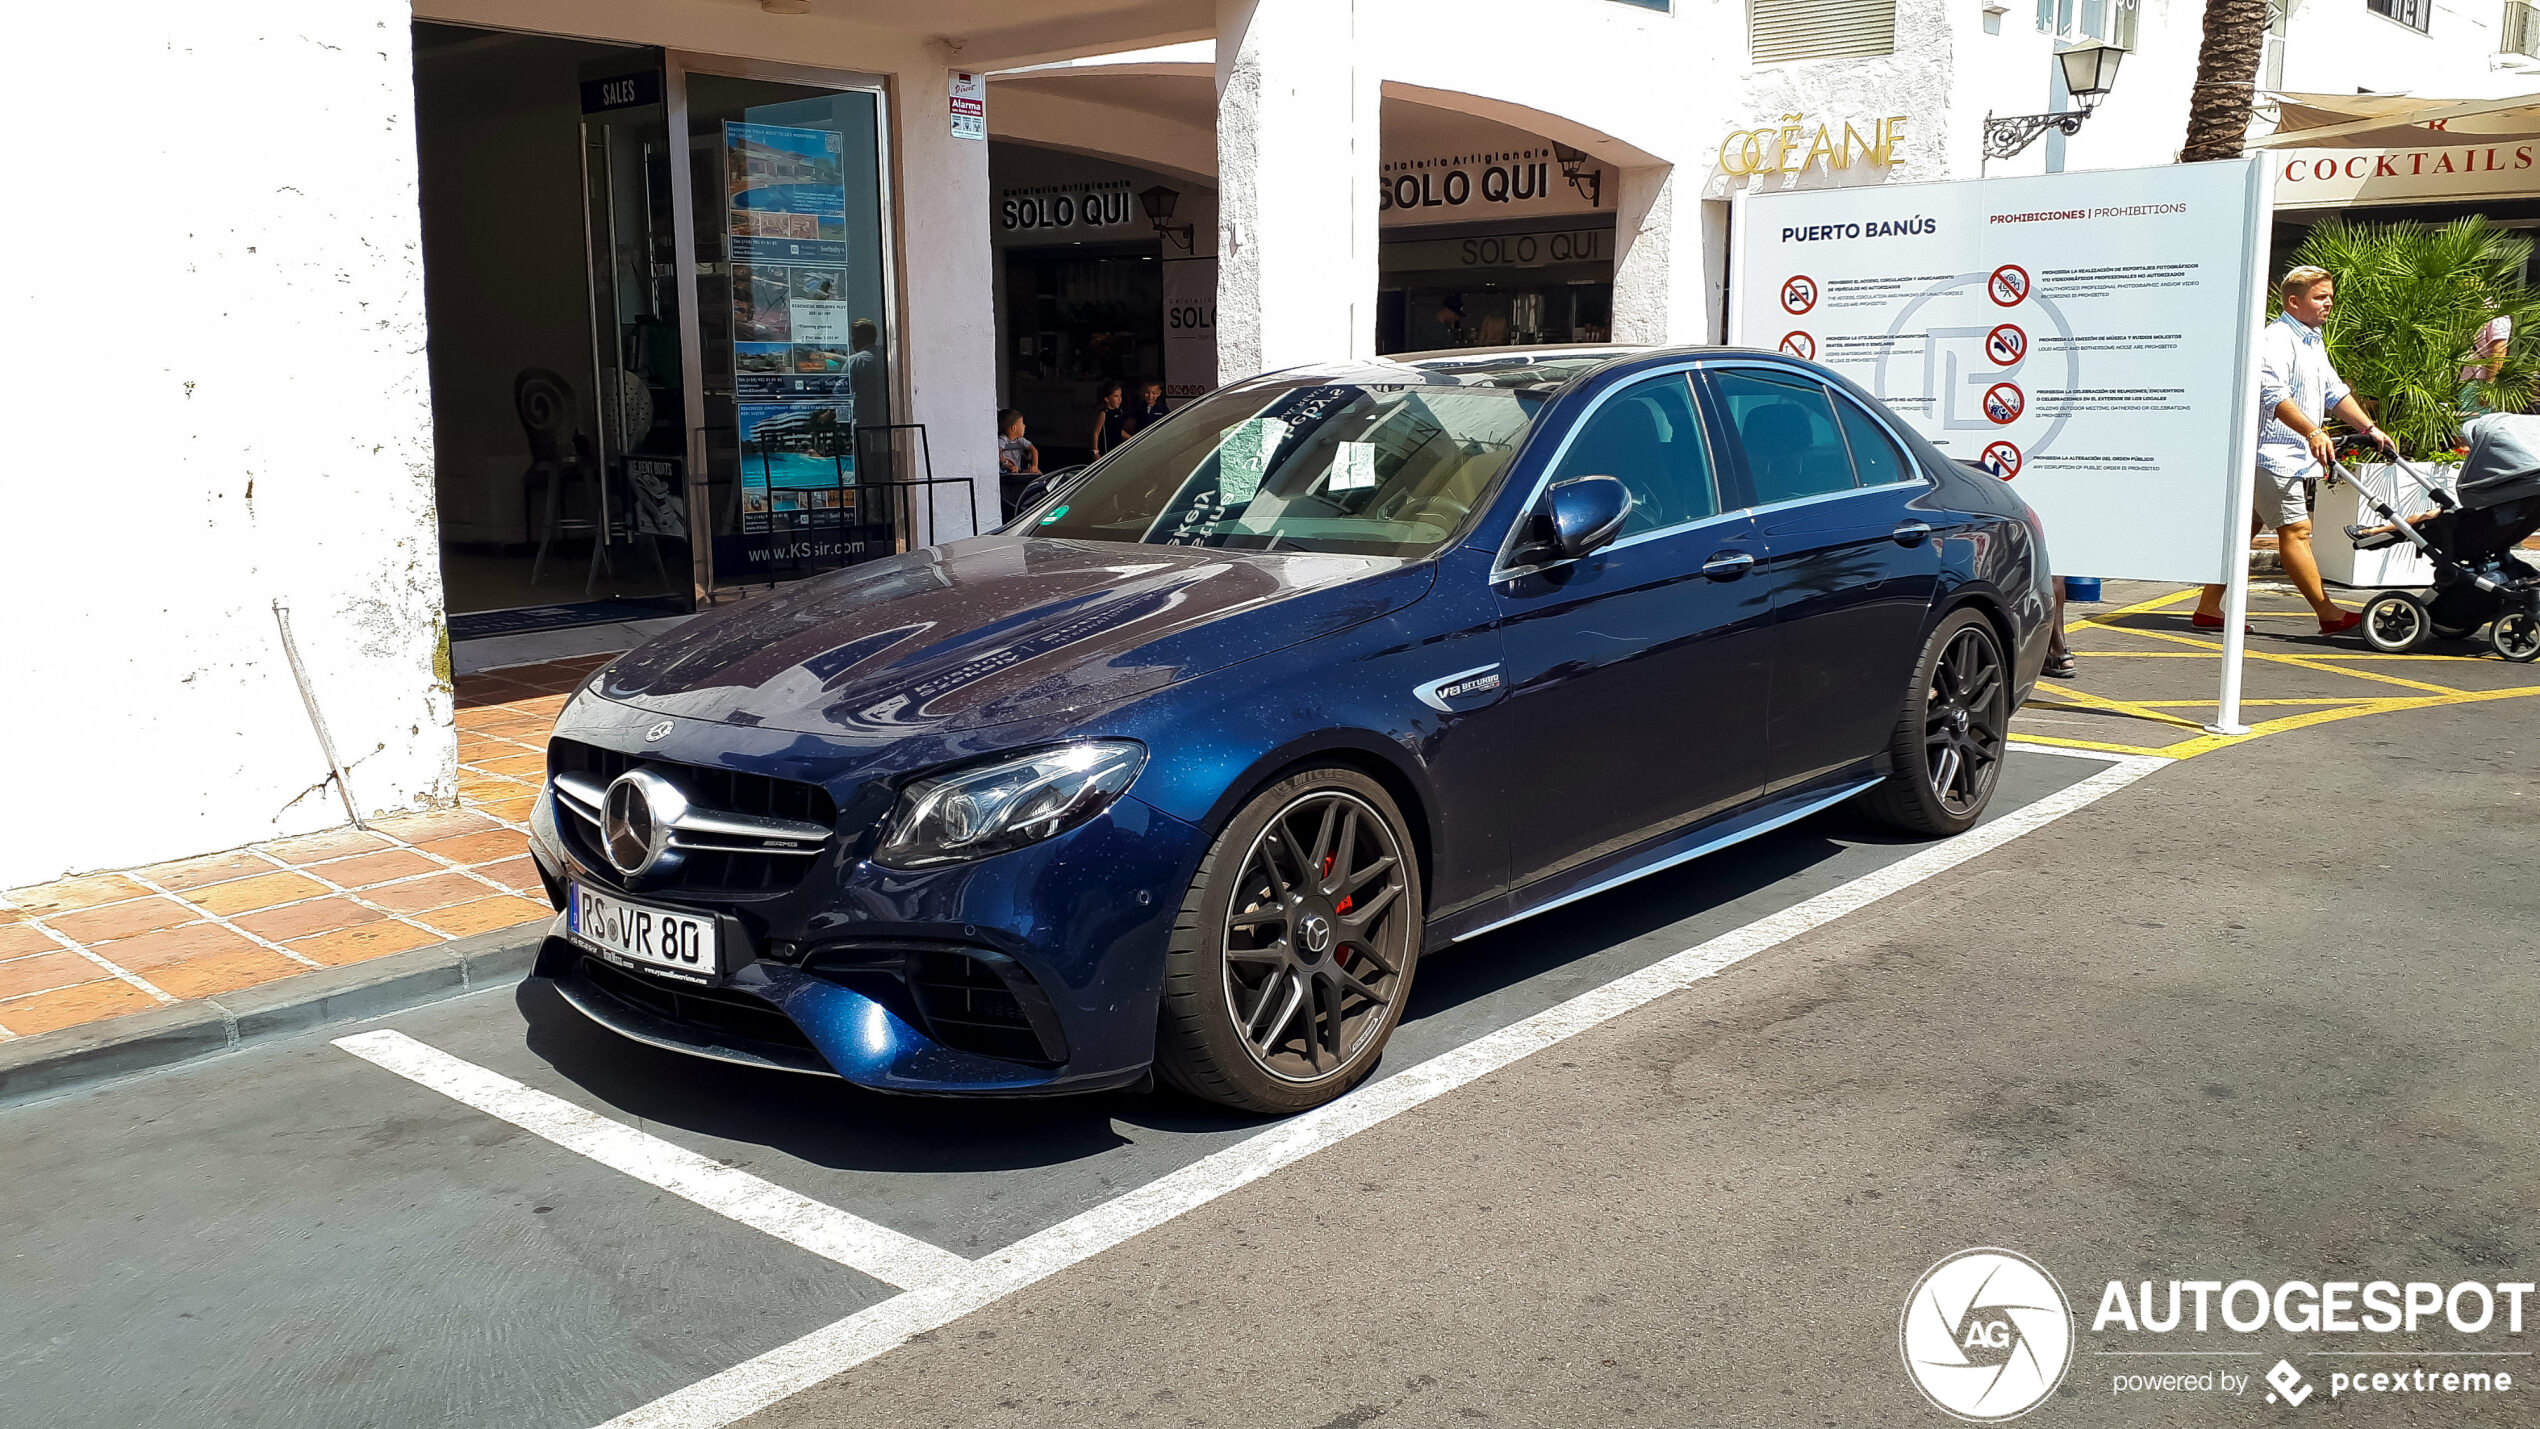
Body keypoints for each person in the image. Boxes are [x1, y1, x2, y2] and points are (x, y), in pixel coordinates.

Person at [2193, 265, 2393, 637]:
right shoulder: (2275, 339)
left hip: (2286, 456)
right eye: (2320, 297)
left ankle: (2207, 607)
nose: (2329, 303)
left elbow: (2335, 393)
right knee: (2297, 531)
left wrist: (2369, 427)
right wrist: (2313, 431)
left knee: (2244, 531)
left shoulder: (2312, 341)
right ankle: (2328, 612)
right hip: (2268, 455)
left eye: (2330, 296)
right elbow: (2274, 396)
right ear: (2294, 301)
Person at [1089, 379, 1128, 458]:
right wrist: (1095, 452)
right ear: (1107, 399)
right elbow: (1095, 433)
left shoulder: (1120, 412)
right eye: (1116, 396)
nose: (1119, 399)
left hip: (1117, 450)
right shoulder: (1103, 413)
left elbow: (1118, 430)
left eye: (1121, 395)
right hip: (1106, 452)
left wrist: (1131, 438)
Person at [997, 409, 1039, 477]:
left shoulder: (1020, 440)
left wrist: (1034, 465)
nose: (1024, 426)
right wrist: (1006, 464)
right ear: (1014, 428)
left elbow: (1034, 450)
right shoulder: (1002, 439)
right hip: (1006, 471)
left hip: (1018, 470)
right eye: (1022, 424)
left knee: (1038, 473)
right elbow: (998, 453)